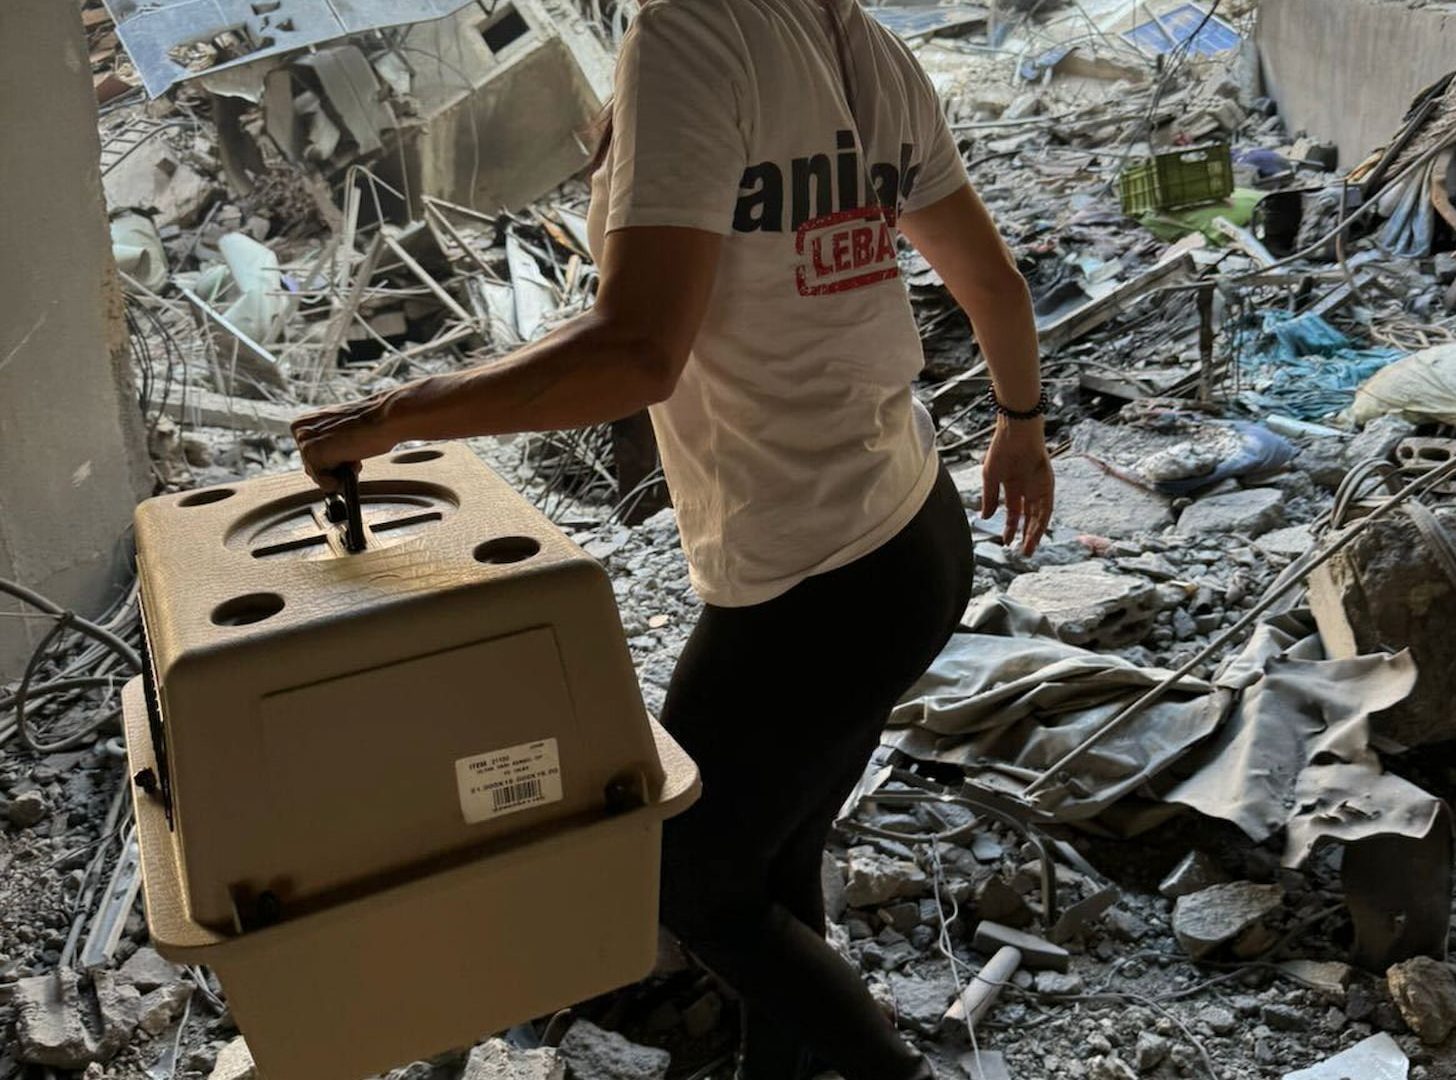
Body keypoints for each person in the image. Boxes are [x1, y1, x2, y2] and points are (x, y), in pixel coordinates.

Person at [292, 0, 1052, 1074]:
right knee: (773, 860)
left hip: (816, 578)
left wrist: (393, 417)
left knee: (684, 878)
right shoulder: (855, 37)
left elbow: (637, 352)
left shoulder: (689, 35)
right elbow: (992, 282)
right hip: (911, 533)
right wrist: (1022, 425)